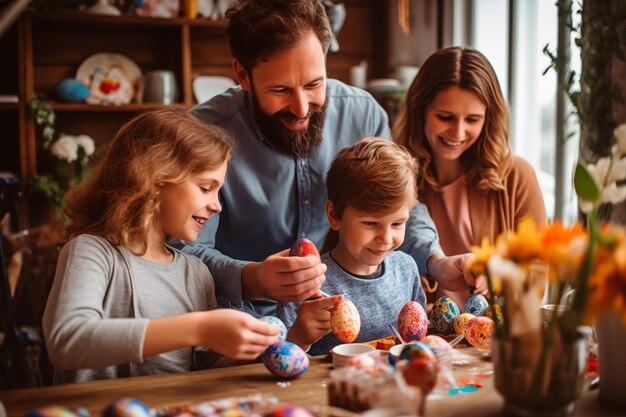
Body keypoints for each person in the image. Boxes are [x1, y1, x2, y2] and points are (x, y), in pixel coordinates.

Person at [174, 0, 477, 318]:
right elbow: (181, 253)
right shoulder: (204, 133)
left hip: (340, 318)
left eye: (314, 84)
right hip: (241, 320)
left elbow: (396, 204)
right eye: (280, 89)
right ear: (242, 75)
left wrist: (437, 262)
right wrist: (252, 278)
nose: (301, 108)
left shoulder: (362, 114)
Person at [43, 109, 279, 384]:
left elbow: (207, 366)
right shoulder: (91, 252)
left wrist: (271, 349)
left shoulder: (195, 272)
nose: (217, 205)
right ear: (154, 179)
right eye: (205, 188)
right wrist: (198, 328)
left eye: (218, 191)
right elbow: (67, 341)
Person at [394, 46, 547, 308]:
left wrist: (501, 275)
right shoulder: (398, 178)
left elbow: (539, 271)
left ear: (488, 119)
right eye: (445, 117)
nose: (458, 132)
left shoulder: (517, 177)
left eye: (472, 119)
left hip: (493, 338)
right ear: (420, 111)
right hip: (425, 339)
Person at [277, 137, 427, 355]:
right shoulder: (307, 282)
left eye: (398, 223)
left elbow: (417, 340)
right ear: (334, 215)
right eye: (371, 223)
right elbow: (279, 361)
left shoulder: (406, 269)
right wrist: (299, 336)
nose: (386, 238)